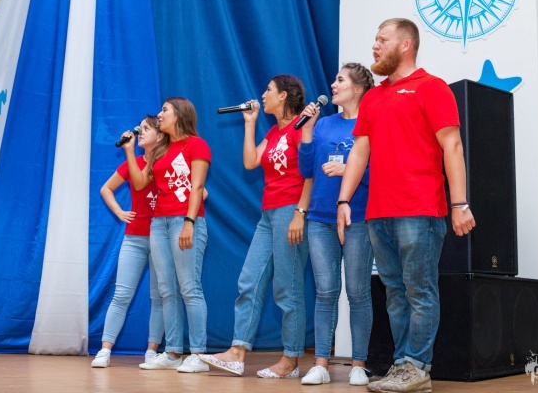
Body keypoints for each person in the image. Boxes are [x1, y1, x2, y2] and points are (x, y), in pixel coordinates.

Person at [336, 18, 476, 393]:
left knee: (419, 291)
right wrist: (344, 199)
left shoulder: (432, 88)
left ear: (405, 45)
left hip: (420, 209)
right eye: (374, 39)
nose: (375, 46)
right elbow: (359, 151)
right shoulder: (373, 98)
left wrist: (459, 203)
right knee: (395, 293)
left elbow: (453, 146)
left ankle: (417, 366)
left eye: (382, 39)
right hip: (378, 213)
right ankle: (403, 367)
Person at [199, 75, 311, 378]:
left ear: (283, 95)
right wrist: (250, 123)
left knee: (287, 288)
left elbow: (311, 173)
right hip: (269, 214)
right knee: (249, 280)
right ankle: (237, 352)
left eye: (269, 90)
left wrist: (300, 213)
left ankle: (290, 360)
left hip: (290, 210)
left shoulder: (302, 126)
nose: (263, 95)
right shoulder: (274, 131)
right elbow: (251, 162)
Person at [296, 63, 375, 386]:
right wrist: (307, 131)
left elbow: (381, 170)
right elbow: (306, 170)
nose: (333, 84)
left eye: (340, 80)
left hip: (358, 217)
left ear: (358, 89)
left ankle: (358, 364)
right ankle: (320, 364)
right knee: (325, 292)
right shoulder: (324, 123)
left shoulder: (371, 125)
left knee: (358, 292)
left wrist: (350, 170)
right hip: (320, 218)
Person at [123, 97, 211, 373]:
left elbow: (197, 187)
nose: (159, 115)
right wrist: (129, 151)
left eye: (164, 110)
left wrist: (189, 222)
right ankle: (173, 353)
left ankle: (198, 354)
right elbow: (140, 183)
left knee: (189, 287)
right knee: (166, 290)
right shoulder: (161, 150)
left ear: (180, 115)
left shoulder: (197, 144)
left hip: (184, 221)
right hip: (158, 224)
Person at [91, 115, 165, 368]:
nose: (140, 133)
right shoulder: (133, 161)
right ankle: (105, 350)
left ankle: (152, 350)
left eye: (146, 129)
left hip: (162, 238)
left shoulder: (167, 162)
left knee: (159, 297)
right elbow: (106, 188)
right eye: (139, 129)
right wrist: (119, 212)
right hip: (134, 238)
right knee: (121, 294)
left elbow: (199, 190)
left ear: (161, 135)